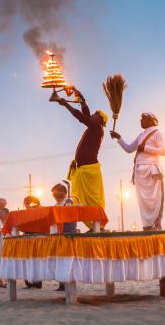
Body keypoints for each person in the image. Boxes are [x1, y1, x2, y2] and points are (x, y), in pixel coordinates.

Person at [57, 87, 107, 228]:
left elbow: (81, 117)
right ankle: (93, 227)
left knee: (93, 200)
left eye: (95, 114)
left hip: (90, 171)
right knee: (84, 201)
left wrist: (65, 104)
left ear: (100, 120)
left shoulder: (97, 128)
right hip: (84, 170)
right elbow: (85, 114)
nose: (93, 115)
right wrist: (81, 99)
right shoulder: (94, 127)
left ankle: (98, 227)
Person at [110, 113, 165, 230]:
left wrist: (145, 148)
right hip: (140, 172)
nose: (141, 121)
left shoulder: (157, 132)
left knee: (155, 200)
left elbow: (163, 151)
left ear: (151, 121)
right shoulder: (141, 135)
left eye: (144, 119)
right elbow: (129, 149)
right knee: (143, 202)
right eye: (141, 119)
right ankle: (147, 225)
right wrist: (119, 138)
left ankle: (156, 224)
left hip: (152, 170)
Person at [52, 183, 76, 291]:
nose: (54, 196)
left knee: (66, 259)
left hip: (67, 232)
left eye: (56, 193)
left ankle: (67, 283)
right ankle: (61, 283)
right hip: (59, 233)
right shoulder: (58, 203)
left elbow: (68, 215)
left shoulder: (68, 201)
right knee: (59, 259)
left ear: (62, 192)